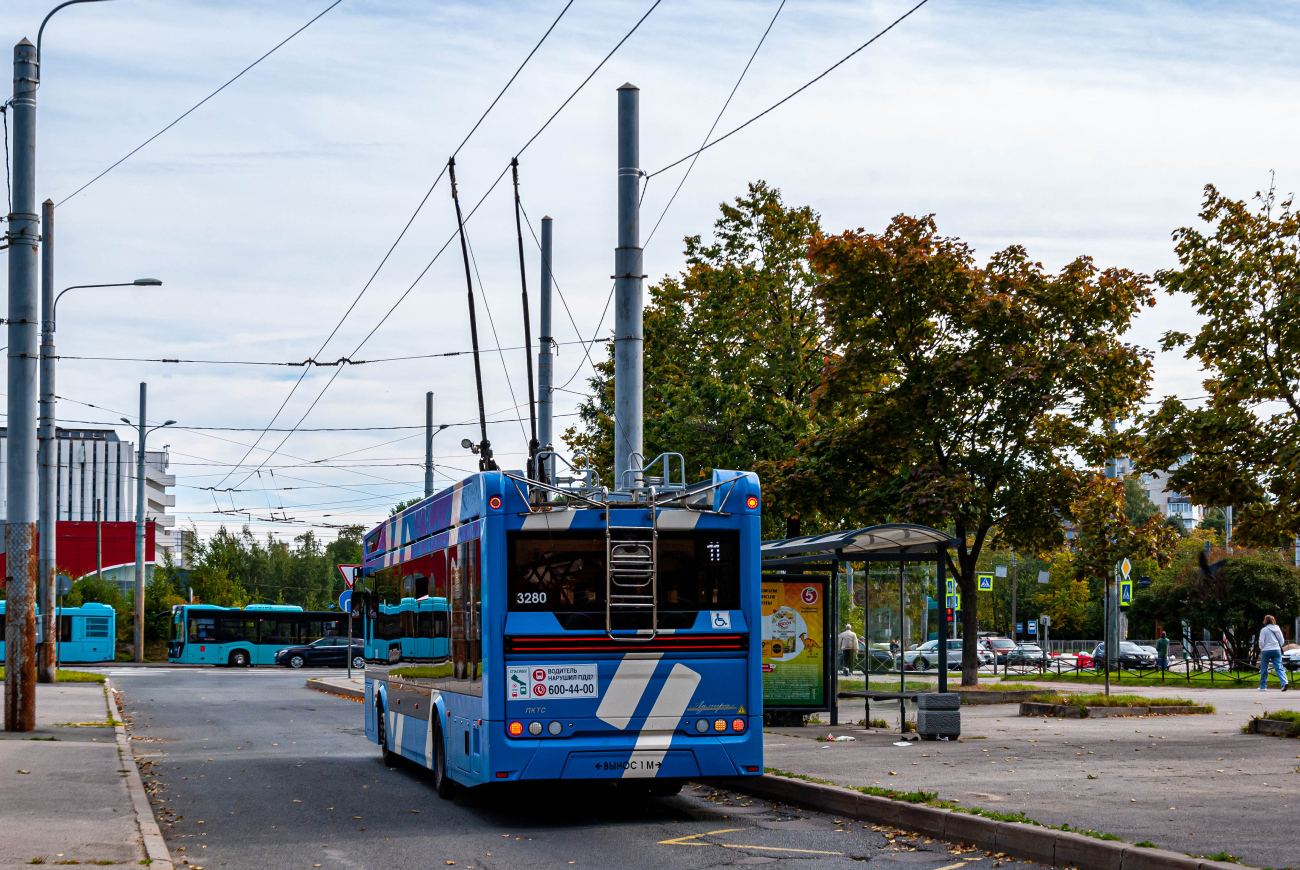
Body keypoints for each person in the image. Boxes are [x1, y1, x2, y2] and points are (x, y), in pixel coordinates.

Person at [1258, 615, 1289, 692]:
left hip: (1266, 650)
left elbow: (1261, 642)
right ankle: (1284, 682)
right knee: (1279, 667)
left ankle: (1263, 686)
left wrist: (1262, 647)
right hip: (1276, 650)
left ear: (1265, 621)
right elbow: (1282, 641)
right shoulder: (1278, 629)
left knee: (1264, 668)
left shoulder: (1264, 630)